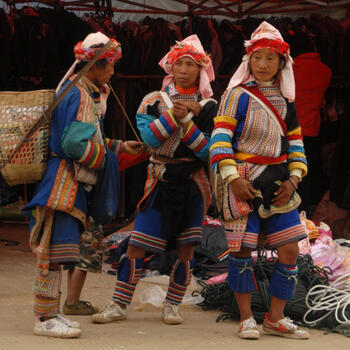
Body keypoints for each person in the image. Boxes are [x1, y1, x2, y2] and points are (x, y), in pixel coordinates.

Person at [22, 32, 143, 338]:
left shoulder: (76, 90)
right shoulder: (80, 94)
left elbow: (87, 140)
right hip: (62, 185)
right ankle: (44, 318)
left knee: (56, 253)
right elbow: (74, 145)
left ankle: (51, 313)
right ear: (96, 66)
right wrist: (107, 160)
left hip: (65, 182)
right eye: (111, 66)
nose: (113, 73)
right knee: (50, 254)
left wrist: (117, 147)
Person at [91, 34, 218, 325]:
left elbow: (209, 152)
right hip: (159, 179)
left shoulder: (211, 106)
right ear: (170, 67)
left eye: (191, 65)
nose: (184, 70)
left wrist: (185, 122)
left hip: (194, 185)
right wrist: (176, 115)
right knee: (137, 243)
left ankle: (172, 305)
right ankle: (119, 303)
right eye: (179, 64)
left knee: (186, 249)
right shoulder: (152, 101)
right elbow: (148, 139)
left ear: (201, 70)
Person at [210, 21, 310, 340]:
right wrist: (230, 178)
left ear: (282, 62)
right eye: (257, 58)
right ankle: (245, 318)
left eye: (270, 58)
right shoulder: (236, 96)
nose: (263, 64)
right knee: (242, 252)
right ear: (248, 61)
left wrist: (294, 179)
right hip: (243, 181)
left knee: (291, 251)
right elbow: (220, 139)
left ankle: (275, 318)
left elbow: (295, 144)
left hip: (280, 184)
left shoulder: (287, 101)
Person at [288, 30, 332, 216]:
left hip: (291, 129)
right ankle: (307, 209)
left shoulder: (290, 70)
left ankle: (294, 209)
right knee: (309, 171)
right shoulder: (325, 71)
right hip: (313, 129)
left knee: (292, 173)